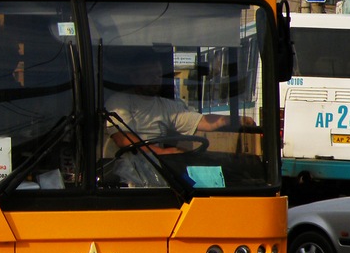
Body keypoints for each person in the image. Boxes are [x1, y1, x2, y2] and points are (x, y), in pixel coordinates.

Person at [104, 52, 253, 186]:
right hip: (124, 173)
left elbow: (201, 121)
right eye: (149, 74)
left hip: (158, 168)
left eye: (158, 74)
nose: (156, 79)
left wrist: (234, 119)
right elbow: (123, 139)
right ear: (134, 77)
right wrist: (162, 152)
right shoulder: (119, 102)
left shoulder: (166, 106)